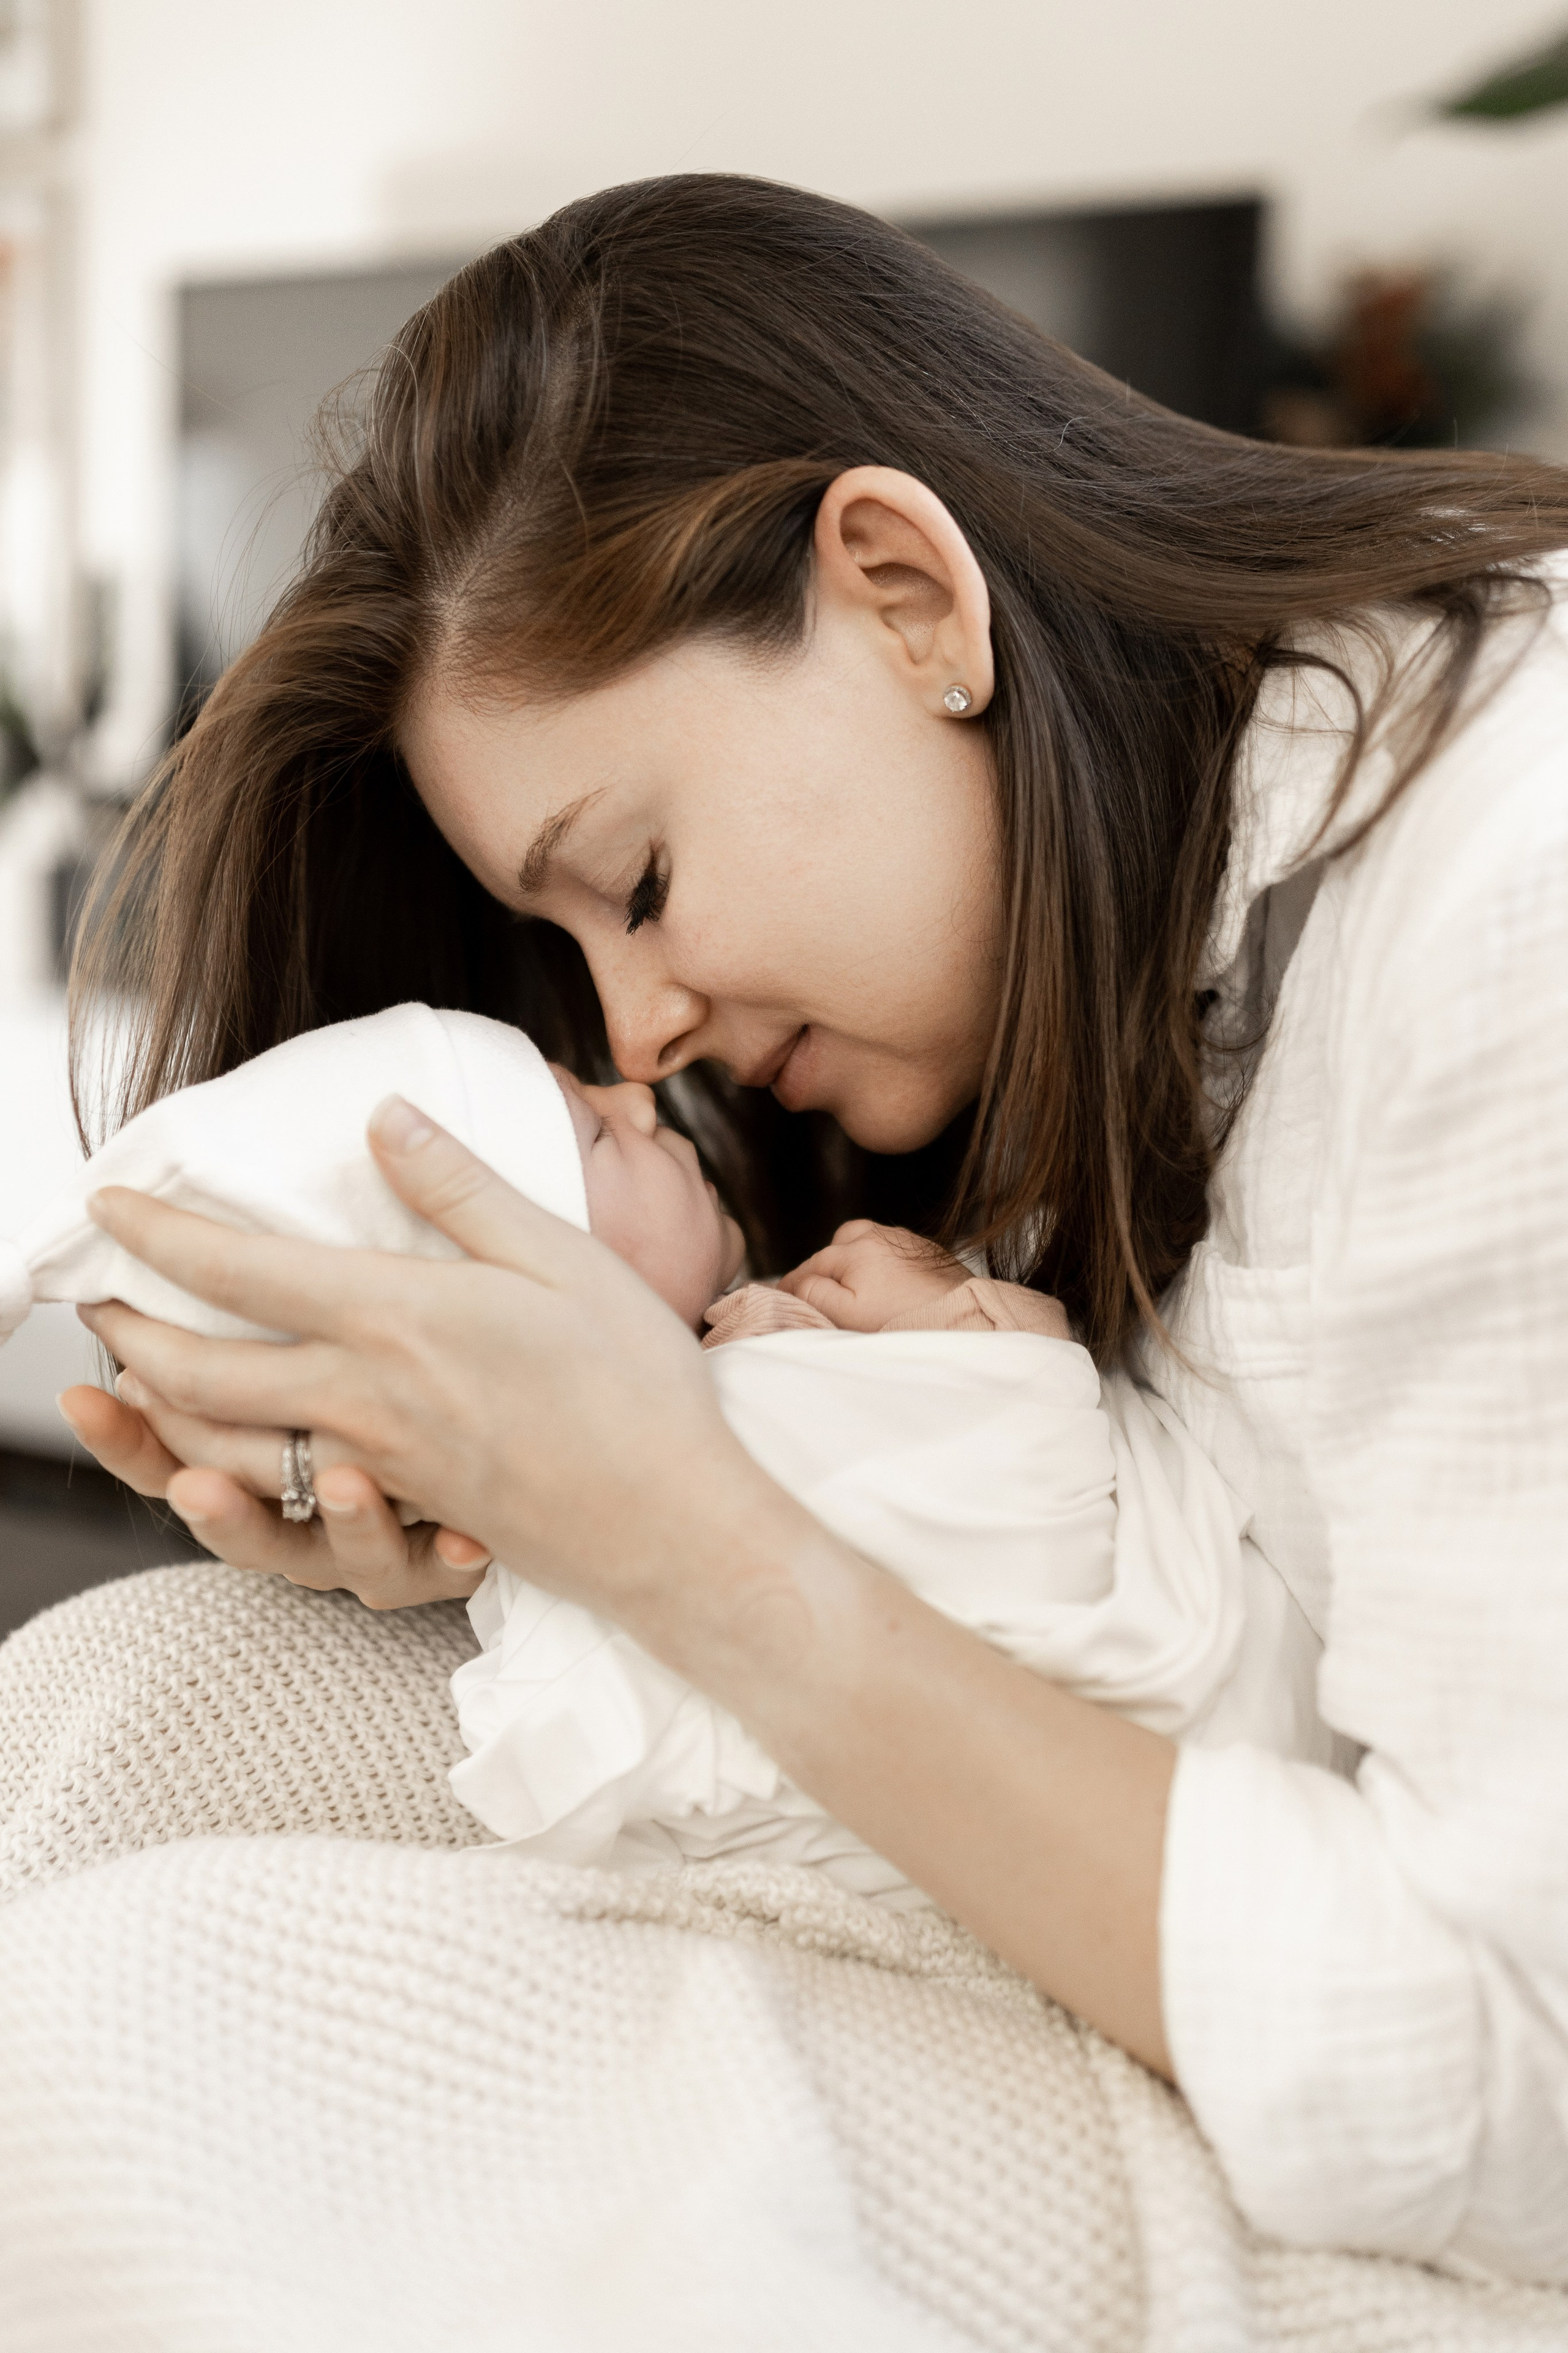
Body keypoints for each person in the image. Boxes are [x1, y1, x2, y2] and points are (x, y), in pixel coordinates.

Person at [42, 173, 1568, 2279]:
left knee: (107, 2046)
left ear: (909, 596)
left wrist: (682, 1542)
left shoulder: (1513, 917)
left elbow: (1524, 2082)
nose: (641, 1026)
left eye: (640, 881)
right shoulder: (1090, 969)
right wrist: (511, 1539)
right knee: (147, 1687)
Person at [7, 1000, 1289, 1895]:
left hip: (1179, 1812)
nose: (637, 1080)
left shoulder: (789, 1339)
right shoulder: (765, 1380)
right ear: (537, 1285)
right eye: (597, 1135)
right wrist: (984, 1335)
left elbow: (1035, 1512)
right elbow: (1023, 1459)